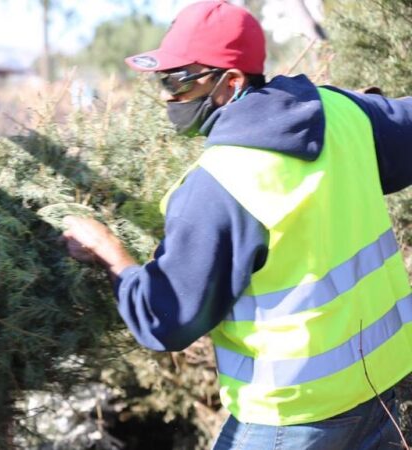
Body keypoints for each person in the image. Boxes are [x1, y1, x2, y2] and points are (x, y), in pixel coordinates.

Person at [61, 1, 412, 449]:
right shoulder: (344, 114)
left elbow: (164, 319)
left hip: (292, 415)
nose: (167, 96)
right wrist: (364, 117)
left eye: (178, 81)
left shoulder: (221, 185)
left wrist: (112, 255)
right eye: (161, 81)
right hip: (378, 393)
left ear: (231, 83)